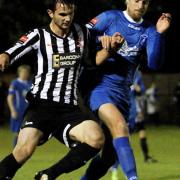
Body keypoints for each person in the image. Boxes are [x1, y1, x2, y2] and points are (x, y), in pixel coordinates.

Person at [0, 0, 123, 179]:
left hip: (69, 108)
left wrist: (111, 50)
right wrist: (5, 55)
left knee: (96, 138)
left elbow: (91, 62)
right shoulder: (39, 35)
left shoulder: (82, 33)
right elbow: (15, 49)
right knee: (23, 152)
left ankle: (48, 175)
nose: (67, 19)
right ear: (51, 13)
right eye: (62, 15)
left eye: (71, 14)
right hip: (41, 106)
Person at [79, 0, 171, 179]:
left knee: (108, 157)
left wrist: (159, 34)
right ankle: (133, 178)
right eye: (136, 0)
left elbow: (154, 63)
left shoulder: (149, 29)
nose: (140, 5)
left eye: (145, 2)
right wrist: (100, 39)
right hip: (99, 87)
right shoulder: (109, 18)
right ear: (127, 0)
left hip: (123, 94)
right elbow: (79, 36)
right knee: (120, 127)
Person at [7, 65, 32, 146]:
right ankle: (16, 150)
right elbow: (10, 98)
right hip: (18, 110)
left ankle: (22, 150)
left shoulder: (30, 83)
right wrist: (13, 110)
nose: (25, 74)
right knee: (18, 132)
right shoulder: (15, 83)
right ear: (19, 73)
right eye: (23, 72)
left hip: (28, 111)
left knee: (27, 132)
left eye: (27, 72)